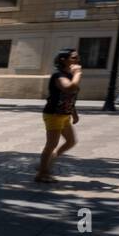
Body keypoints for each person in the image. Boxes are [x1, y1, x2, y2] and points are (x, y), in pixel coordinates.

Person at [36, 48, 81, 183]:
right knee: (51, 145)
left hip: (64, 115)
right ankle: (41, 174)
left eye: (77, 57)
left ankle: (51, 159)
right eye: (73, 57)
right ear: (63, 59)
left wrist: (74, 113)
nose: (77, 60)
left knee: (71, 141)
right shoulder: (58, 75)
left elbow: (69, 97)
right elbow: (69, 88)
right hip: (53, 114)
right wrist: (78, 73)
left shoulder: (68, 75)